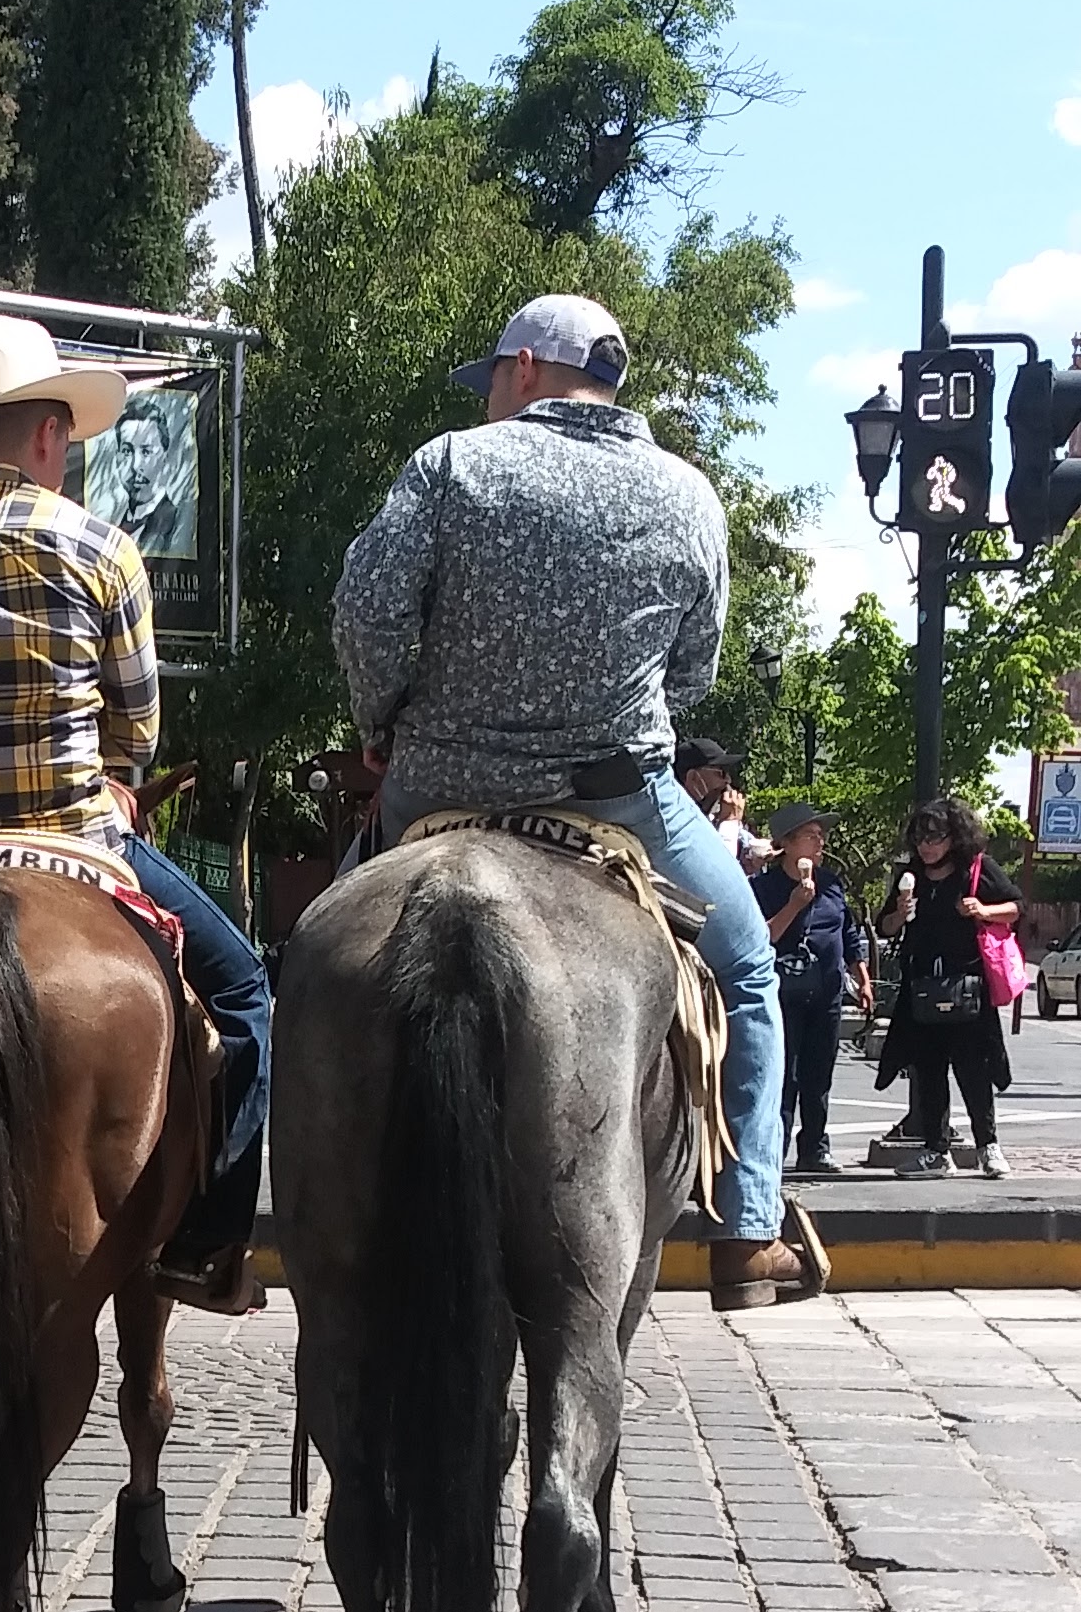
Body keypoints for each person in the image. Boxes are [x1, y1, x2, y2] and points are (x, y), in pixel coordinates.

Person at [331, 290, 817, 1311]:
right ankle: (748, 1228)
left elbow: (368, 612)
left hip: (440, 783)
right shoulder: (689, 493)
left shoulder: (453, 461)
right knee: (747, 969)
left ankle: (288, 1197)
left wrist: (385, 718)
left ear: (521, 368)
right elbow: (690, 672)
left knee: (317, 966)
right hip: (621, 798)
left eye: (494, 378)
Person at [0, 311, 271, 1309]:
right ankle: (206, 1242)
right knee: (249, 993)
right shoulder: (100, 549)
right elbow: (137, 733)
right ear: (49, 434)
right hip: (71, 840)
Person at [874, 797, 1019, 1177]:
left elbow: (1015, 907)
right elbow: (884, 927)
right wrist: (899, 914)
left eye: (935, 838)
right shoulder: (911, 875)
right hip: (922, 985)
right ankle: (936, 1150)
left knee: (974, 1068)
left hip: (967, 985)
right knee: (928, 1069)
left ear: (953, 838)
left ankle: (988, 1146)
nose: (926, 846)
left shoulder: (976, 870)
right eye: (920, 838)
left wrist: (982, 910)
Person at [753, 803, 854, 1175]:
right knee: (784, 1075)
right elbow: (763, 937)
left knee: (819, 1073)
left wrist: (857, 969)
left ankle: (815, 1147)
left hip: (826, 991)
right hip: (784, 993)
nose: (820, 842)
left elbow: (846, 930)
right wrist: (794, 905)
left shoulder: (831, 883)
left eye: (821, 835)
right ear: (787, 843)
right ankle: (774, 1148)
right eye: (811, 835)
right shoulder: (764, 887)